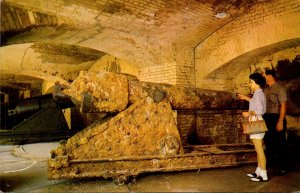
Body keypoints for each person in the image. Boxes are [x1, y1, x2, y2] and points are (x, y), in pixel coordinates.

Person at [237, 72, 268, 182]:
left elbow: (260, 110)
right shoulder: (258, 93)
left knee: (259, 150)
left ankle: (263, 175)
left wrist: (248, 113)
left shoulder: (258, 94)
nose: (249, 84)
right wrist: (246, 98)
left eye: (251, 82)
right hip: (257, 122)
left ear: (256, 83)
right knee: (258, 149)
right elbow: (256, 103)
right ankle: (258, 172)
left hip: (256, 123)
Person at [263, 69, 288, 176]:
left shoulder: (280, 88)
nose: (263, 77)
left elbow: (283, 105)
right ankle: (272, 166)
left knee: (280, 143)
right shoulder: (265, 89)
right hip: (266, 118)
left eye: (264, 75)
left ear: (270, 76)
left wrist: (280, 121)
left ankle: (283, 167)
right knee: (269, 142)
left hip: (276, 117)